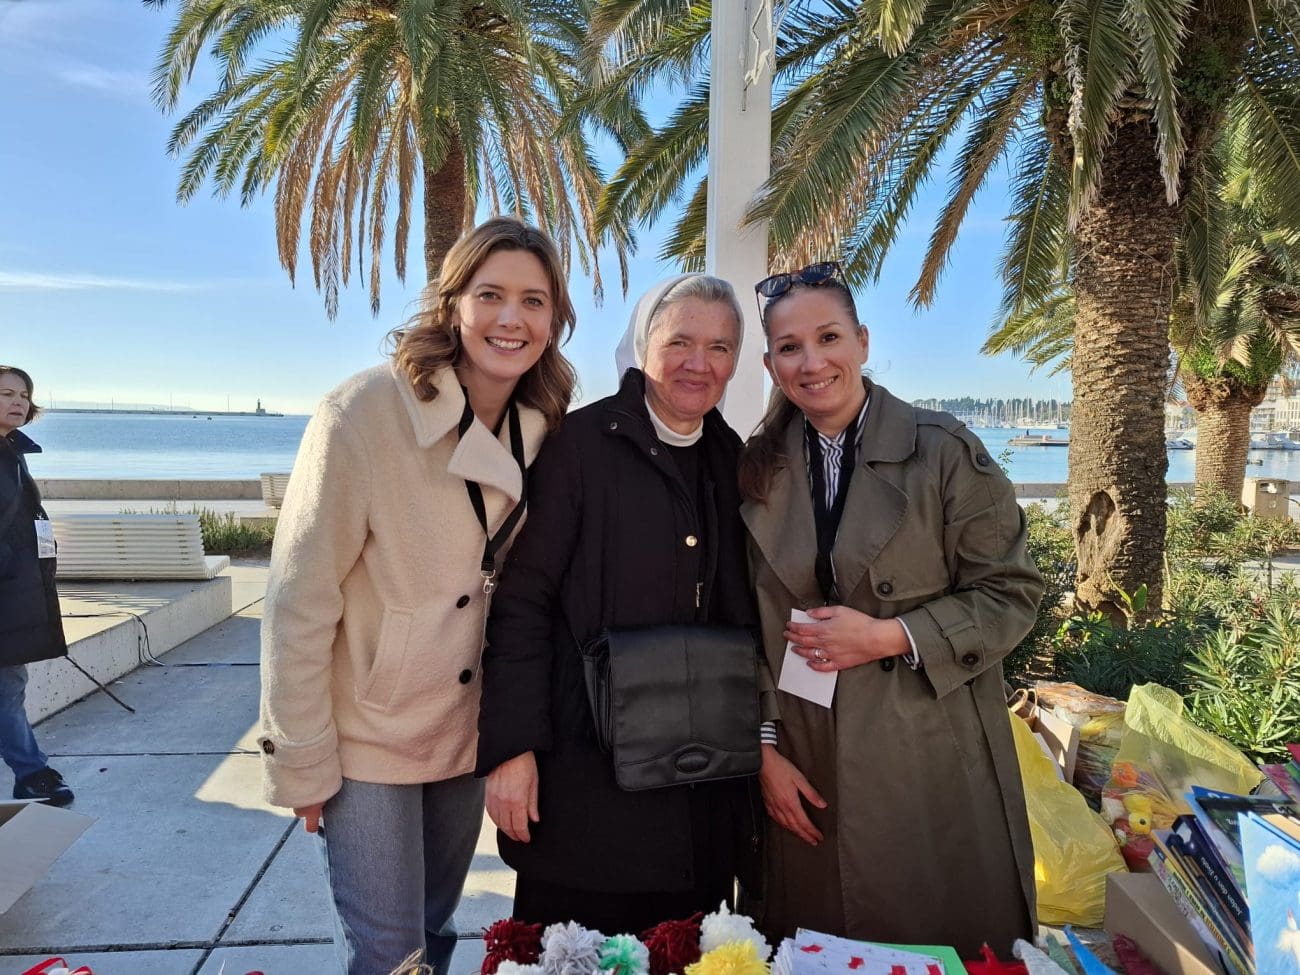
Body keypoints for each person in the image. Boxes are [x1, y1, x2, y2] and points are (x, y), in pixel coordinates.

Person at [258, 217, 578, 975]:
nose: (511, 318)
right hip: (368, 733)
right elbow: (299, 599)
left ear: (554, 319)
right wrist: (302, 758)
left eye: (533, 301)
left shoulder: (547, 425)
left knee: (435, 930)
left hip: (465, 728)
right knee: (389, 953)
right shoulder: (366, 411)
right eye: (490, 294)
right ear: (452, 302)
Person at [738, 264, 1043, 957]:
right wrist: (763, 749)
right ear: (770, 365)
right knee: (818, 949)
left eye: (828, 337)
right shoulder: (758, 468)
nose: (812, 362)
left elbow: (1011, 592)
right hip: (806, 758)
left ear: (863, 341)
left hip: (928, 758)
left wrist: (891, 635)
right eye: (789, 347)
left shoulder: (944, 452)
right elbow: (745, 624)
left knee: (930, 946)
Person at [476, 274, 761, 934]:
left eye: (719, 347)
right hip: (584, 793)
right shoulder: (577, 446)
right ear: (643, 345)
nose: (698, 363)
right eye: (680, 341)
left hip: (696, 800)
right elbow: (522, 603)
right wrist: (511, 752)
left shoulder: (734, 462)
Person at [0, 366, 74, 807]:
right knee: (8, 685)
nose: (18, 402)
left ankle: (31, 772)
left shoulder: (12, 450)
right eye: (6, 393)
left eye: (24, 395)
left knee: (10, 682)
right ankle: (31, 773)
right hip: (8, 588)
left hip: (15, 589)